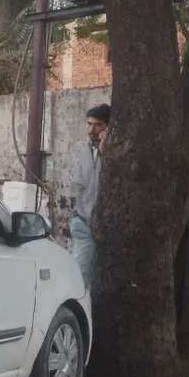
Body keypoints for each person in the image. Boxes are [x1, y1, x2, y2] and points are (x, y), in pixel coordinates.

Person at [70, 103, 110, 286]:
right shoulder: (81, 150)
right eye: (89, 124)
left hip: (108, 226)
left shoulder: (113, 152)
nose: (92, 130)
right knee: (79, 276)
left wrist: (105, 151)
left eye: (98, 125)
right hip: (83, 223)